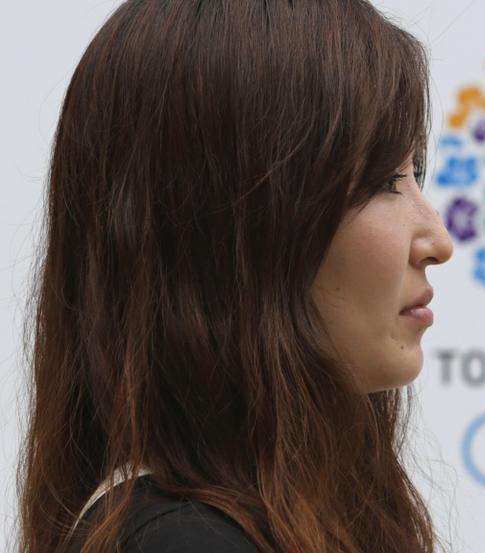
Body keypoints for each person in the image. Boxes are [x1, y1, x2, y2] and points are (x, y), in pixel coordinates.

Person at [16, 1, 454, 552]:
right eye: (384, 182)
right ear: (235, 223)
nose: (439, 242)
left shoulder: (251, 519)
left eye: (415, 173)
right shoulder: (182, 540)